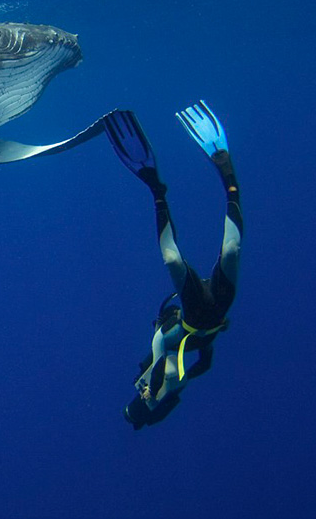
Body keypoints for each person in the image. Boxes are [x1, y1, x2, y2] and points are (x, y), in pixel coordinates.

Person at [103, 102, 243, 430]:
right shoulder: (183, 373)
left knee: (171, 258)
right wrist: (172, 383)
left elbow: (160, 348)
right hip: (218, 306)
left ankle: (156, 190)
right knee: (233, 250)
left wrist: (151, 379)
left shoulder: (158, 353)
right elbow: (193, 369)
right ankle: (227, 170)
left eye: (143, 396)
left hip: (192, 310)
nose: (150, 395)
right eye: (152, 401)